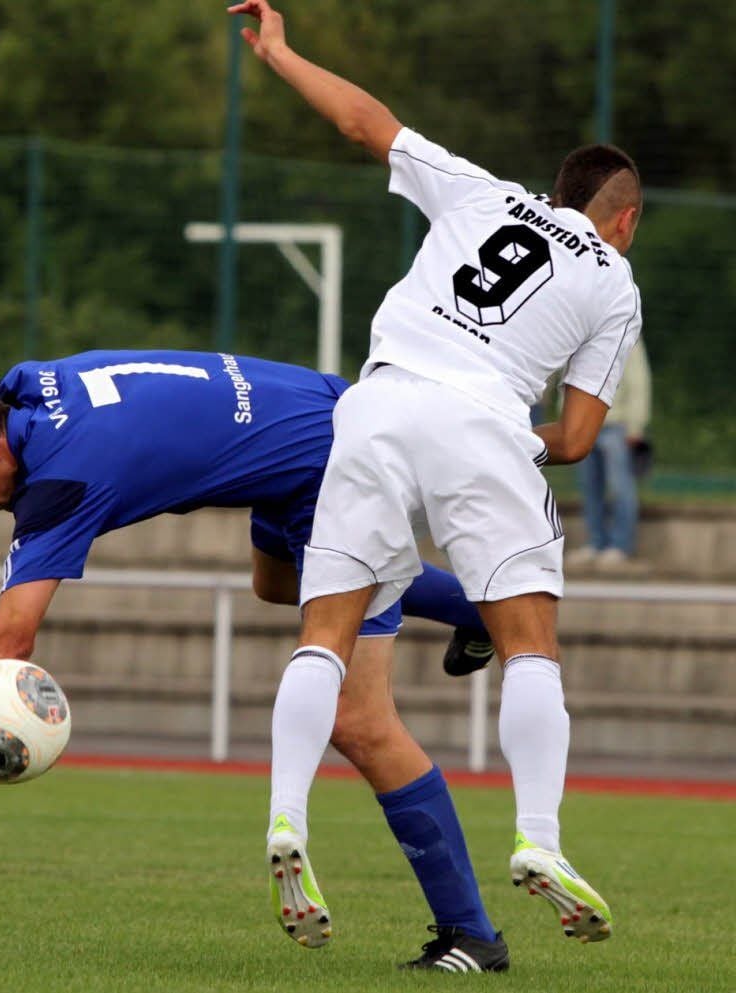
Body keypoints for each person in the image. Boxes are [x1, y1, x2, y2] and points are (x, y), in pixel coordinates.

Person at [0, 348, 506, 970]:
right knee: (276, 584)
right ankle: (476, 611)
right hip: (302, 431)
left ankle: (470, 933)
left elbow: (10, 638)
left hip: (342, 471)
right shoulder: (24, 389)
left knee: (357, 718)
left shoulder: (63, 477)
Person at [228, 0, 643, 966]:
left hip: (373, 408)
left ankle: (288, 816)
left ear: (550, 191)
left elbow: (362, 122)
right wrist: (505, 452)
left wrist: (282, 52)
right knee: (528, 642)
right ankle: (538, 837)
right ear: (622, 221)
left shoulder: (482, 193)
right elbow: (578, 437)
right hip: (484, 421)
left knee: (325, 632)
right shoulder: (615, 283)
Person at [565, 337, 652, 574]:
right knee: (589, 486)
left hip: (616, 424)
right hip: (582, 423)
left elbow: (638, 381)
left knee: (620, 486)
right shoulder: (579, 333)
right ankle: (596, 542)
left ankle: (620, 546)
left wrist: (635, 425)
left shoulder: (625, 330)